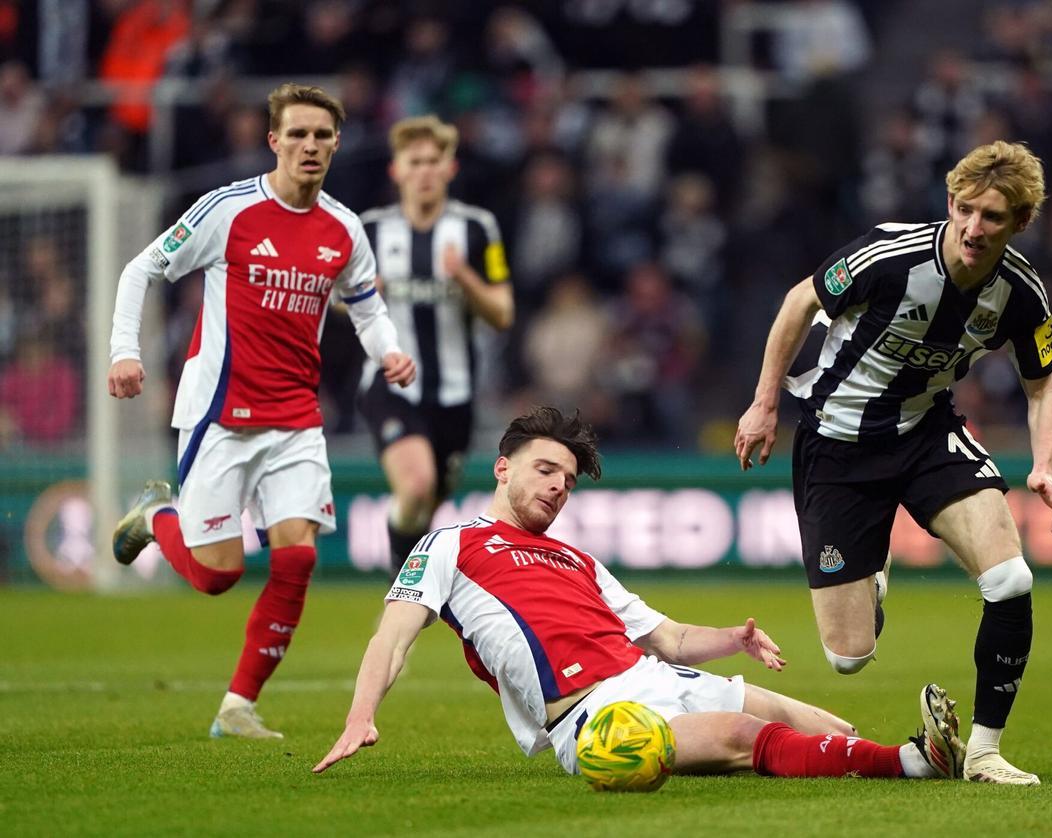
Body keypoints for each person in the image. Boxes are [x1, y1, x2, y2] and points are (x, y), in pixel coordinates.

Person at [314, 407, 965, 782]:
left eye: (568, 480)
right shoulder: (450, 544)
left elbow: (667, 638)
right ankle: (916, 762)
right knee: (743, 734)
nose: (558, 487)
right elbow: (392, 636)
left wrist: (731, 640)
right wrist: (360, 714)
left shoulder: (578, 560)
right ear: (503, 468)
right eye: (546, 470)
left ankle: (904, 756)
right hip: (597, 717)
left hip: (657, 675)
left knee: (827, 727)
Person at [734, 140, 1052, 785]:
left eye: (993, 217)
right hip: (836, 442)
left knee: (1011, 580)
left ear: (1021, 222)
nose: (973, 228)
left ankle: (984, 752)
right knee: (848, 657)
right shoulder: (891, 255)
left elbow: (1044, 389)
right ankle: (874, 575)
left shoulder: (1021, 293)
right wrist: (764, 402)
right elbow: (800, 301)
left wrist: (1045, 466)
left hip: (925, 431)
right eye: (965, 209)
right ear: (949, 202)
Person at [108, 83, 416, 740]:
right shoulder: (229, 210)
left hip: (297, 419)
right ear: (274, 141)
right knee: (216, 576)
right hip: (221, 414)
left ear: (336, 143)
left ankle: (237, 706)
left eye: (322, 135)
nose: (310, 145)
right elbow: (140, 270)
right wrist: (124, 352)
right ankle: (156, 516)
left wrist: (389, 351)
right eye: (297, 134)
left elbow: (366, 306)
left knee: (297, 558)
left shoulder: (343, 228)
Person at [357, 115, 514, 576]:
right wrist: (362, 295)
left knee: (426, 507)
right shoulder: (369, 230)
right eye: (415, 162)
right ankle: (398, 584)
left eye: (433, 161)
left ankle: (409, 592)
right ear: (397, 170)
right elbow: (335, 303)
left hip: (456, 394)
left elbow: (503, 313)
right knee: (416, 485)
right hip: (391, 383)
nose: (424, 171)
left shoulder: (478, 228)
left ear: (450, 168)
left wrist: (463, 276)